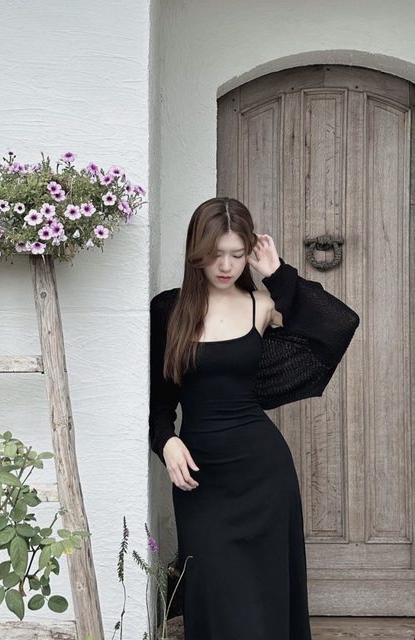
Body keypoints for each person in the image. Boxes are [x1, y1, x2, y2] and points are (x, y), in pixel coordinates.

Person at [149, 196, 360, 640]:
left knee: (263, 603)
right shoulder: (169, 310)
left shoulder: (261, 304)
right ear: (196, 252)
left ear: (250, 253)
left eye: (237, 254)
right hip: (201, 479)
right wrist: (166, 441)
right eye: (215, 254)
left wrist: (278, 273)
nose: (225, 265)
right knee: (213, 597)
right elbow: (158, 398)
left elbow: (338, 325)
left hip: (263, 476)